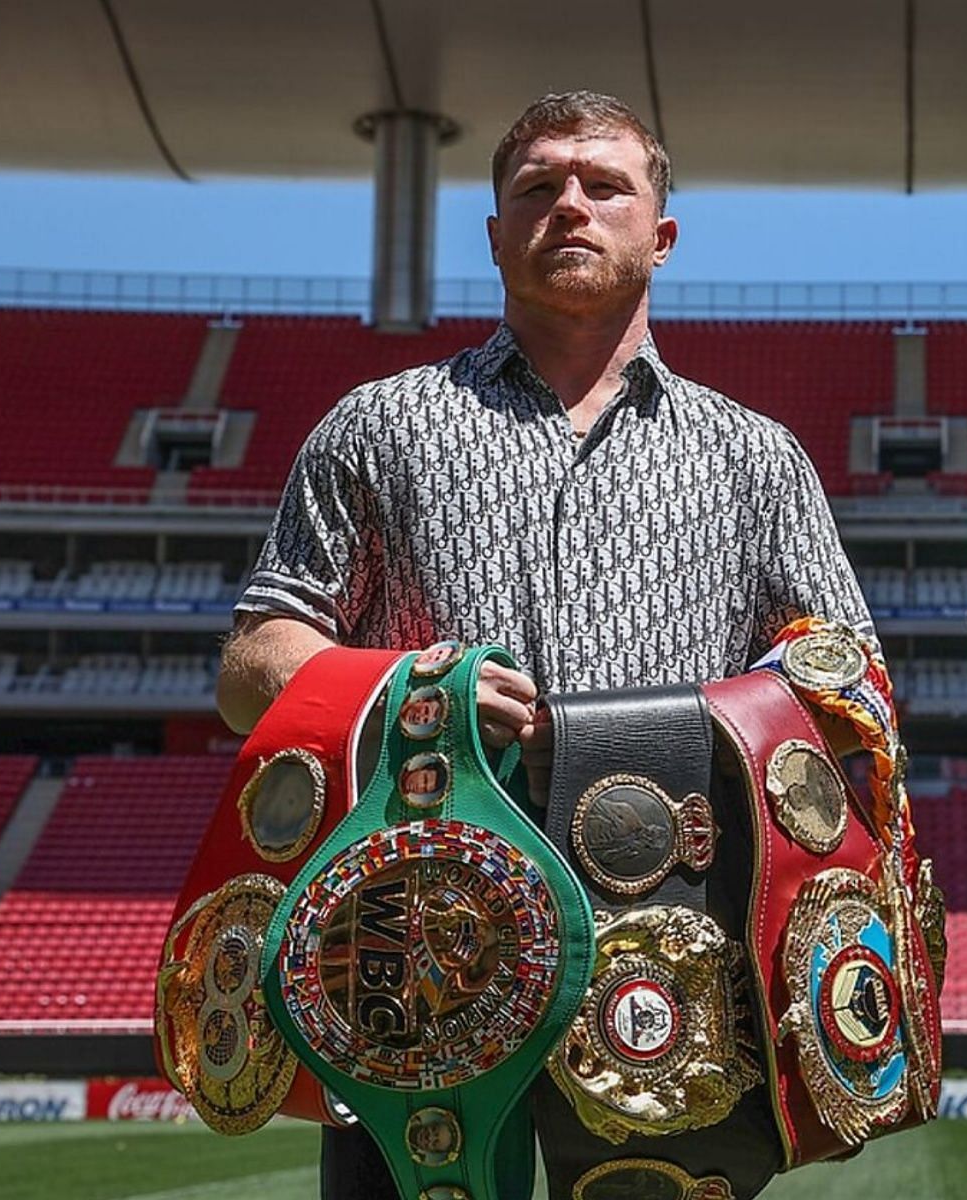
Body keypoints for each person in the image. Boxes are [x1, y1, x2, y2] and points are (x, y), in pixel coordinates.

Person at [216, 89, 873, 1200]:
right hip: (415, 934)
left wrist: (709, 732)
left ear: (660, 236)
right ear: (494, 234)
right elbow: (250, 669)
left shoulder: (759, 457)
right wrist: (408, 686)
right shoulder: (378, 426)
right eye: (537, 187)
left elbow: (846, 678)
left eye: (603, 184)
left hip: (672, 943)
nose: (569, 204)